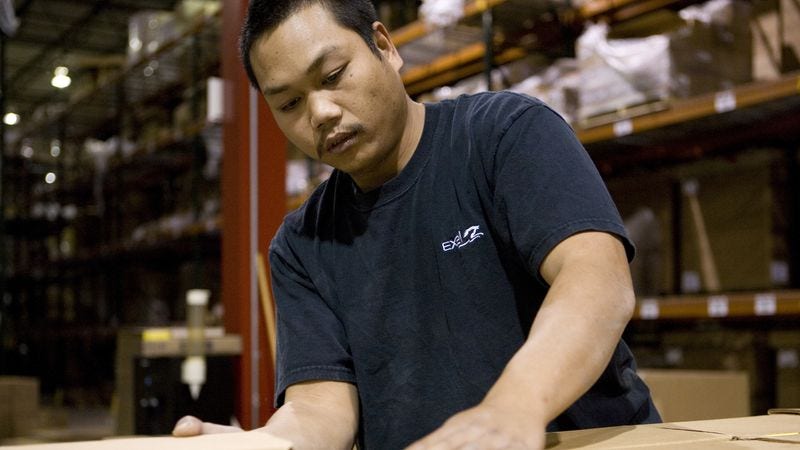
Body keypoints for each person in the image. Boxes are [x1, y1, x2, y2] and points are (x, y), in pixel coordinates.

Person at [172, 0, 661, 448]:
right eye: (289, 104)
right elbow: (321, 407)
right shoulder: (302, 244)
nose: (320, 113)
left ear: (385, 47)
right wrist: (266, 445)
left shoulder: (503, 136)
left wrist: (514, 406)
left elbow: (597, 283)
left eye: (333, 75)